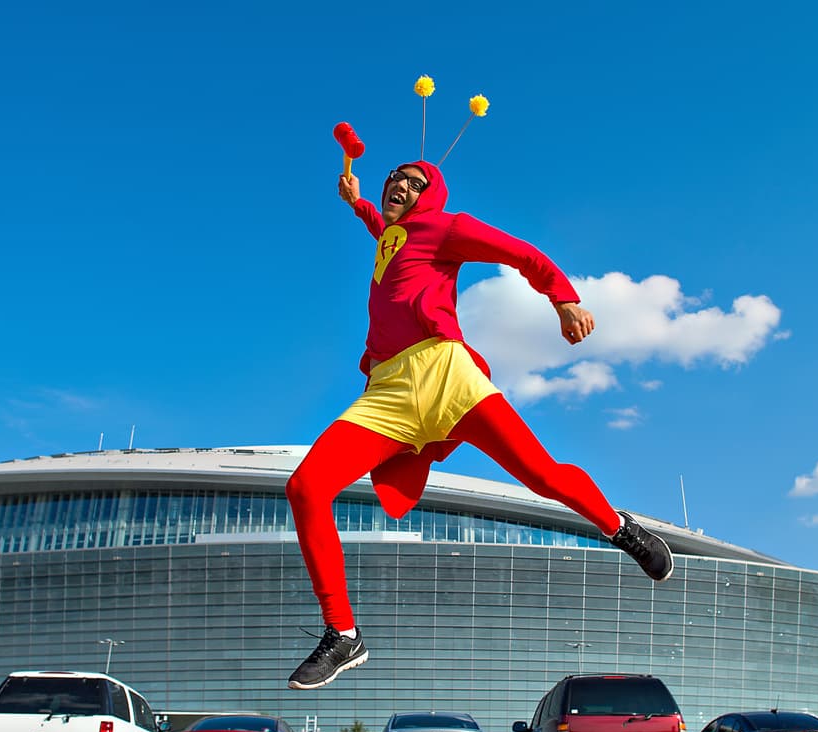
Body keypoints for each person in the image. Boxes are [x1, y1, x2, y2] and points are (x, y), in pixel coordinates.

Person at [284, 160, 673, 690]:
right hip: (389, 392)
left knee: (542, 475)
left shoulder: (446, 227)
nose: (400, 185)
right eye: (394, 178)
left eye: (415, 183)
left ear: (432, 197)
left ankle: (619, 528)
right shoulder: (392, 235)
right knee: (305, 487)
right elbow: (385, 229)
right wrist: (357, 203)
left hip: (447, 374)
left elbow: (521, 253)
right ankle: (343, 633)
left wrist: (563, 298)